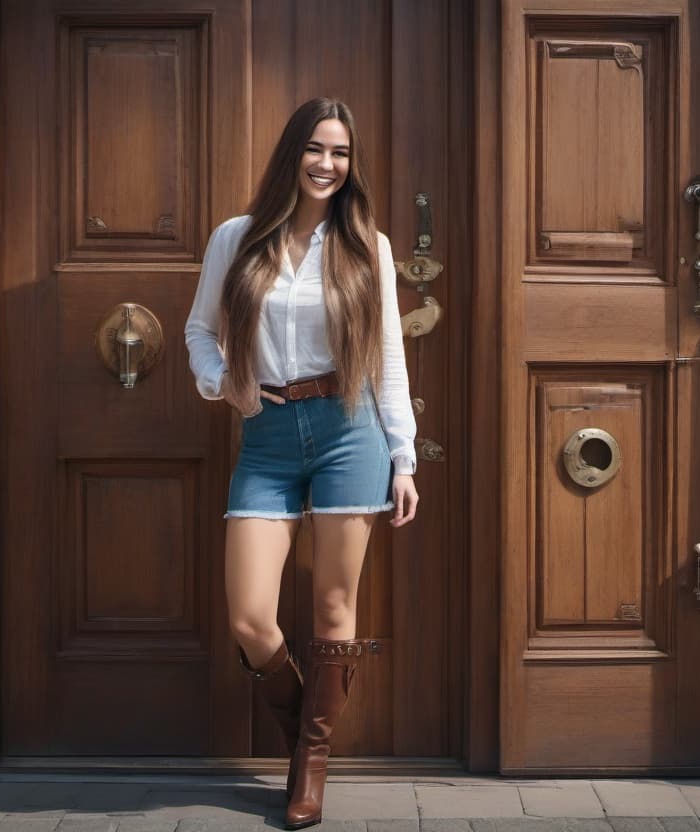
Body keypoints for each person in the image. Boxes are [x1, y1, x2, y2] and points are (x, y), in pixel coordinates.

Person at [184, 97, 420, 829]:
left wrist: (403, 456)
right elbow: (199, 330)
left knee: (331, 608)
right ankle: (302, 741)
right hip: (269, 433)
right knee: (252, 617)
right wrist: (222, 382)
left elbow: (387, 356)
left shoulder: (366, 245)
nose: (327, 164)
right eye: (317, 149)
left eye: (341, 154)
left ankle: (310, 766)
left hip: (350, 426)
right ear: (293, 153)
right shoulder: (237, 237)